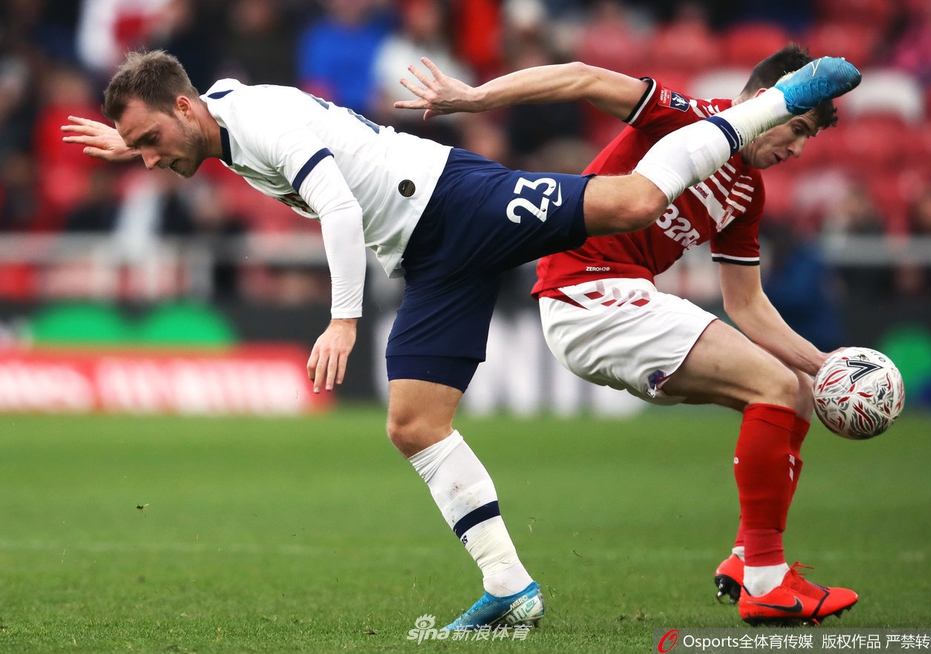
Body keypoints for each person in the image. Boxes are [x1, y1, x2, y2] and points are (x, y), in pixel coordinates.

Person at [61, 49, 860, 630]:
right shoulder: (217, 112)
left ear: (188, 109)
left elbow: (337, 206)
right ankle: (510, 587)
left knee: (634, 204)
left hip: (455, 200)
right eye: (139, 149)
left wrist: (343, 318)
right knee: (414, 424)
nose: (150, 158)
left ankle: (776, 97)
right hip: (426, 255)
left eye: (150, 141)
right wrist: (131, 144)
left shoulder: (260, 119)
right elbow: (203, 103)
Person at [396, 45, 861, 627]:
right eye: (795, 127)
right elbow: (583, 77)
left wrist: (826, 368)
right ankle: (765, 579)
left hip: (620, 302)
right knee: (774, 386)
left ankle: (750, 560)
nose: (795, 148)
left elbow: (749, 305)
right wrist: (476, 98)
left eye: (807, 140)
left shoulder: (748, 193)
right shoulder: (690, 117)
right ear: (761, 102)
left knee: (789, 388)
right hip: (588, 293)